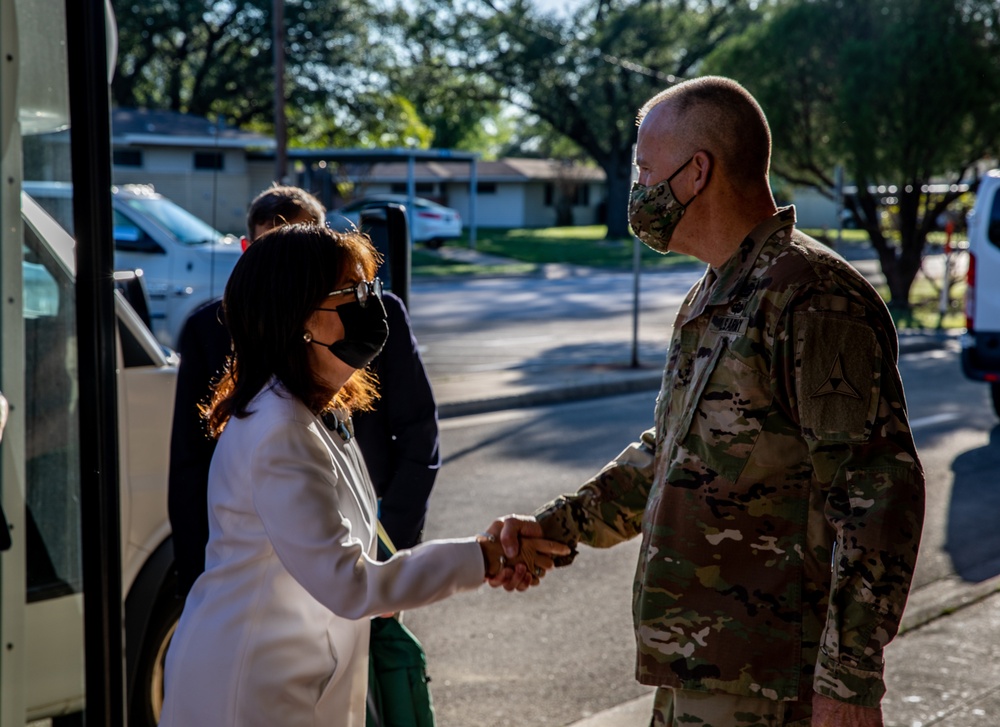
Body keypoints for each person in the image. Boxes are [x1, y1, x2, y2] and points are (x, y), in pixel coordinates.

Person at [489, 76, 925, 727]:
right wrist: (556, 529)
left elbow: (877, 493)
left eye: (644, 168)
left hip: (775, 686)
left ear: (696, 173)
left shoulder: (815, 298)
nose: (636, 188)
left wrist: (850, 679)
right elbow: (672, 454)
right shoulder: (714, 292)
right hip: (698, 671)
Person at [158, 223, 568, 726]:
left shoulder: (320, 412)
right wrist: (480, 558)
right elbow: (349, 583)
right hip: (249, 690)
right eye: (352, 294)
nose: (371, 306)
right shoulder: (280, 432)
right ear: (299, 317)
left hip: (296, 678)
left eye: (370, 288)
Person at [168, 185, 439, 597]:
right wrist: (198, 576)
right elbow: (191, 463)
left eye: (312, 252)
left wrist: (391, 547)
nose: (297, 274)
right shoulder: (275, 418)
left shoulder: (364, 327)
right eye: (278, 250)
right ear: (250, 252)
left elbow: (419, 432)